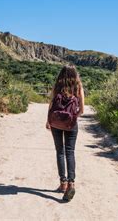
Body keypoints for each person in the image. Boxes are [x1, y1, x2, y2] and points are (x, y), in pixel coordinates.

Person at [46, 65, 84, 202]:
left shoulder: (57, 86)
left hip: (56, 122)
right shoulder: (78, 86)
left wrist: (48, 121)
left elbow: (50, 105)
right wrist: (73, 118)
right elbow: (82, 110)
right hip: (71, 124)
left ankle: (63, 183)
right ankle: (71, 183)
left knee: (60, 152)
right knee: (70, 152)